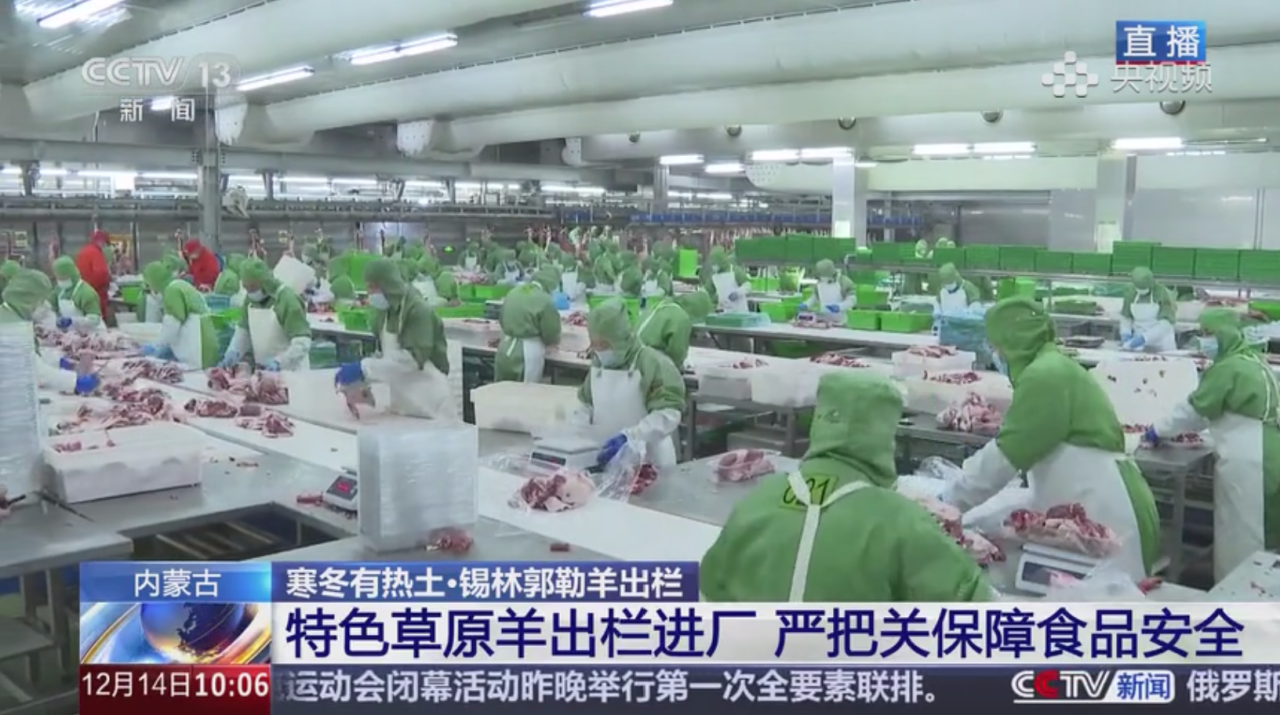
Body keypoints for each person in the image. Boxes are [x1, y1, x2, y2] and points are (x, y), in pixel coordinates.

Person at [700, 371, 992, 601]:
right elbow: (977, 608)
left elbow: (709, 592)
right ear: (885, 435)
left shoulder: (755, 504)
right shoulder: (902, 522)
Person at [939, 297, 1161, 581]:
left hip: (1104, 509)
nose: (995, 353)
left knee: (1111, 598)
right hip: (1096, 500)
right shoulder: (1052, 366)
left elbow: (1004, 457)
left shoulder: (1045, 376)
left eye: (995, 345)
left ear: (1013, 342)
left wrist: (946, 504)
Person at [1145, 309, 1280, 581]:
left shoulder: (1228, 368)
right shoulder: (1253, 360)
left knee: (1244, 535)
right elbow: (1208, 412)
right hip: (1268, 451)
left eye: (1208, 334)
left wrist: (1157, 430)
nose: (1203, 340)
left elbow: (1193, 410)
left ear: (1224, 334)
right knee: (1266, 531)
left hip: (1249, 460)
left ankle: (1238, 594)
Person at [573, 298, 685, 471]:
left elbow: (668, 413)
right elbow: (585, 405)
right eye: (594, 344)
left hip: (650, 461)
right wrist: (579, 435)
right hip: (610, 459)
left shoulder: (652, 363)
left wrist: (631, 436)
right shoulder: (598, 364)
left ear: (621, 338)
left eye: (604, 344)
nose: (600, 350)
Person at [334, 259, 454, 418]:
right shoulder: (386, 310)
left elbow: (412, 360)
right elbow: (390, 356)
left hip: (431, 401)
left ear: (388, 284)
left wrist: (365, 369)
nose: (370, 293)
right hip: (404, 402)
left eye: (373, 287)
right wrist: (361, 382)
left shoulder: (418, 310)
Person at [1, 270, 99, 395]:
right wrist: (75, 382)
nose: (46, 307)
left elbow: (30, 354)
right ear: (27, 300)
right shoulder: (10, 327)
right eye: (41, 302)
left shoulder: (12, 317)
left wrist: (56, 361)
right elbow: (34, 370)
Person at [218, 258, 312, 371]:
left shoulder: (287, 300)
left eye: (253, 287)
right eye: (246, 287)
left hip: (292, 371)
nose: (250, 292)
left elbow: (302, 341)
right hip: (264, 372)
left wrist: (279, 362)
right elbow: (244, 331)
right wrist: (234, 351)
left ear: (265, 282)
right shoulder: (250, 300)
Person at [138, 261, 219, 367]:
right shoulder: (179, 285)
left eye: (149, 285)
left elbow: (172, 325)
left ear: (154, 281)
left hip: (197, 344)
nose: (151, 289)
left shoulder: (171, 291)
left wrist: (156, 345)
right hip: (205, 338)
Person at [495, 267, 562, 383]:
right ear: (551, 284)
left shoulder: (513, 292)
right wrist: (553, 343)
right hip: (528, 352)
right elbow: (551, 332)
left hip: (505, 347)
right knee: (525, 391)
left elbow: (501, 318)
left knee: (502, 389)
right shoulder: (545, 300)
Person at [1120, 267, 1177, 353]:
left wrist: (1144, 338)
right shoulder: (1131, 292)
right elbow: (1126, 316)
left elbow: (1166, 323)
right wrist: (1125, 333)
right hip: (1139, 345)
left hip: (1162, 344)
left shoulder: (1161, 292)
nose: (1141, 290)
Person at [635, 293, 694, 370]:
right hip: (648, 362)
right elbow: (677, 351)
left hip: (634, 354)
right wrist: (677, 365)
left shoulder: (659, 305)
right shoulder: (681, 317)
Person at [50, 256, 104, 331]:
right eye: (59, 278)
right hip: (72, 334)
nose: (61, 281)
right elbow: (53, 307)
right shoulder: (59, 290)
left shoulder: (86, 292)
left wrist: (73, 321)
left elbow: (95, 320)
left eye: (64, 278)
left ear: (72, 275)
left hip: (91, 333)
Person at [74, 229, 112, 320]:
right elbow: (101, 274)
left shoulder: (84, 251)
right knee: (98, 319)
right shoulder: (96, 253)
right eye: (106, 244)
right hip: (96, 292)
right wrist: (108, 281)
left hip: (82, 291)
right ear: (102, 242)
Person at [704, 246, 750, 313]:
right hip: (724, 311)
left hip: (740, 310)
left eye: (715, 263)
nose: (714, 266)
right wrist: (714, 299)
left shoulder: (735, 271)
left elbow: (748, 285)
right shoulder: (713, 276)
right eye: (713, 263)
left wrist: (738, 293)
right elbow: (707, 291)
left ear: (721, 261)